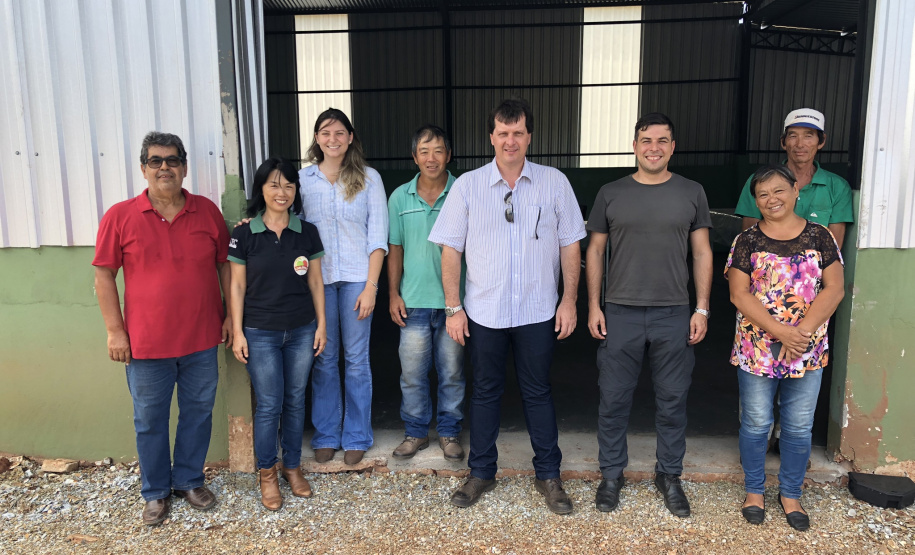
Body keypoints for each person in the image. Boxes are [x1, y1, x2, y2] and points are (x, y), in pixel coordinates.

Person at [429, 99, 586, 515]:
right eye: (503, 133)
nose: (510, 140)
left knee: (538, 392)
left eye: (518, 132)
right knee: (484, 392)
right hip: (484, 312)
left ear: (529, 136)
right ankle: (481, 472)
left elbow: (571, 244)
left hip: (538, 309)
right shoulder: (468, 187)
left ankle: (549, 476)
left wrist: (569, 301)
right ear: (491, 137)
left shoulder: (554, 183)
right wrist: (453, 308)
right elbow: (450, 251)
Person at [93, 132, 231, 526]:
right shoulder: (120, 216)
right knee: (149, 420)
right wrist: (114, 331)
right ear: (144, 168)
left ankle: (188, 479)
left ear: (185, 167)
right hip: (145, 344)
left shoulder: (206, 212)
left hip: (202, 339)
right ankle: (154, 492)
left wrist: (228, 316)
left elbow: (225, 265)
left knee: (198, 413)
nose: (165, 167)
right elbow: (104, 275)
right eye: (156, 161)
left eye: (172, 160)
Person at [585, 113, 713, 518]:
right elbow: (595, 252)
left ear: (673, 147)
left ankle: (669, 476)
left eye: (662, 140)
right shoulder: (611, 192)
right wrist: (593, 305)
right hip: (620, 311)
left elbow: (702, 253)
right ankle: (611, 475)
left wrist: (702, 308)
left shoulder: (692, 192)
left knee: (673, 400)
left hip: (673, 312)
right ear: (634, 145)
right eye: (646, 140)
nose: (653, 147)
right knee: (613, 399)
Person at [726, 163, 844, 531]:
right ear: (755, 200)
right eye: (762, 194)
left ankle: (791, 493)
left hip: (806, 349)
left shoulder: (820, 236)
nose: (771, 199)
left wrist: (802, 332)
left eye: (779, 190)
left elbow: (835, 288)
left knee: (797, 426)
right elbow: (738, 293)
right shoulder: (746, 241)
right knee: (758, 422)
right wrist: (781, 331)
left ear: (796, 191)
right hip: (758, 347)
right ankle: (755, 491)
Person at [228, 158, 327, 511]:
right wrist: (238, 332)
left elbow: (315, 281)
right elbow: (236, 287)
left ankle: (292, 467)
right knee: (269, 404)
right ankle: (267, 473)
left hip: (301, 330)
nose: (281, 192)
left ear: (296, 190)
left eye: (288, 185)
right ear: (261, 190)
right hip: (260, 332)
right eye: (273, 185)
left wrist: (322, 325)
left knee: (295, 400)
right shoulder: (244, 235)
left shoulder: (307, 231)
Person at [299, 108, 388, 466]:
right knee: (323, 358)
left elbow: (378, 236)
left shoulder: (369, 179)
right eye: (325, 133)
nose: (332, 139)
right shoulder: (302, 181)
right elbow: (290, 227)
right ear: (317, 139)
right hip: (318, 281)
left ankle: (356, 435)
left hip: (356, 279)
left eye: (339, 133)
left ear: (350, 138)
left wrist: (372, 287)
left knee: (356, 361)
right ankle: (325, 433)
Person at [388, 125, 466, 461]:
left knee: (451, 371)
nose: (431, 157)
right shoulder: (399, 197)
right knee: (412, 372)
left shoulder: (463, 191)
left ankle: (449, 432)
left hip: (453, 303)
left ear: (448, 155)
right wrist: (392, 293)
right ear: (414, 157)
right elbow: (395, 249)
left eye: (438, 150)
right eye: (424, 151)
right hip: (414, 302)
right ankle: (416, 432)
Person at [735, 108, 854, 248]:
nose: (800, 144)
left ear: (821, 141)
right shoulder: (759, 181)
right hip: (769, 264)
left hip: (815, 267)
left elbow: (833, 248)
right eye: (792, 136)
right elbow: (750, 239)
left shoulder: (837, 186)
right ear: (783, 142)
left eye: (808, 136)